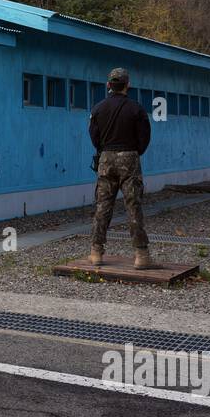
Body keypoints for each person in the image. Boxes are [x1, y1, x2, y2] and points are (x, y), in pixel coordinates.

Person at [88, 67, 155, 269]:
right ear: (128, 85)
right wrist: (134, 152)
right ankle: (141, 255)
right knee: (133, 206)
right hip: (130, 157)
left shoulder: (98, 109)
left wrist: (105, 151)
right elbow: (145, 137)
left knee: (102, 206)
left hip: (106, 159)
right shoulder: (137, 109)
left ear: (109, 85)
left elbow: (94, 136)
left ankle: (96, 252)